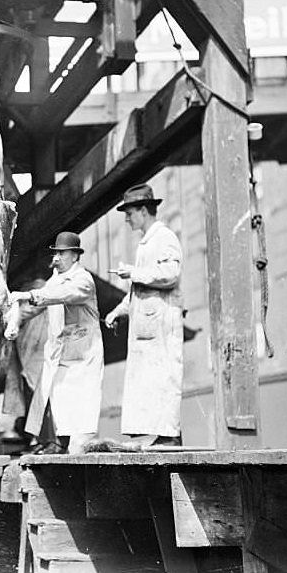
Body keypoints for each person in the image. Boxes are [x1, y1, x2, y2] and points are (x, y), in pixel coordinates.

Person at [8, 232, 103, 454]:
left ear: (75, 256)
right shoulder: (54, 281)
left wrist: (30, 294)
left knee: (81, 406)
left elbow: (63, 294)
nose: (57, 258)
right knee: (60, 401)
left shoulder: (83, 280)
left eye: (62, 253)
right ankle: (60, 444)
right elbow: (37, 305)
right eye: (56, 253)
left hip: (83, 354)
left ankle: (78, 450)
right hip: (61, 353)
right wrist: (14, 319)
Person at [104, 183, 184, 447]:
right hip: (149, 323)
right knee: (151, 380)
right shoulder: (147, 243)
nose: (127, 219)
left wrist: (134, 273)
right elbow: (137, 292)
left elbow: (171, 274)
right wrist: (119, 310)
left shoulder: (164, 238)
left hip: (162, 323)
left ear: (143, 211)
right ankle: (164, 433)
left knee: (164, 377)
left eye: (129, 213)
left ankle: (170, 435)